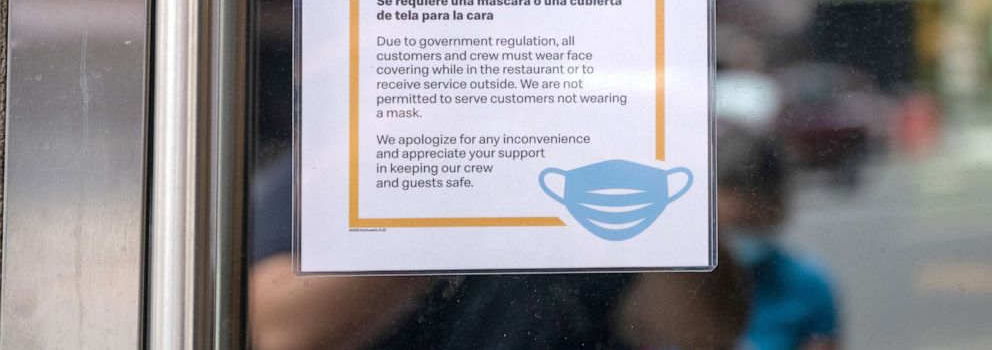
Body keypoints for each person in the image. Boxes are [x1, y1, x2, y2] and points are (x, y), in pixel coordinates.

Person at [249, 151, 750, 349]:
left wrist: (658, 170)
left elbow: (704, 332)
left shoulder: (600, 164)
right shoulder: (345, 168)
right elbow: (281, 328)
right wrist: (451, 184)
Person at [718, 129, 840, 350]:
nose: (740, 237)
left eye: (752, 224)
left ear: (778, 210)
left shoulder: (808, 286)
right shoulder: (680, 285)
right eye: (731, 225)